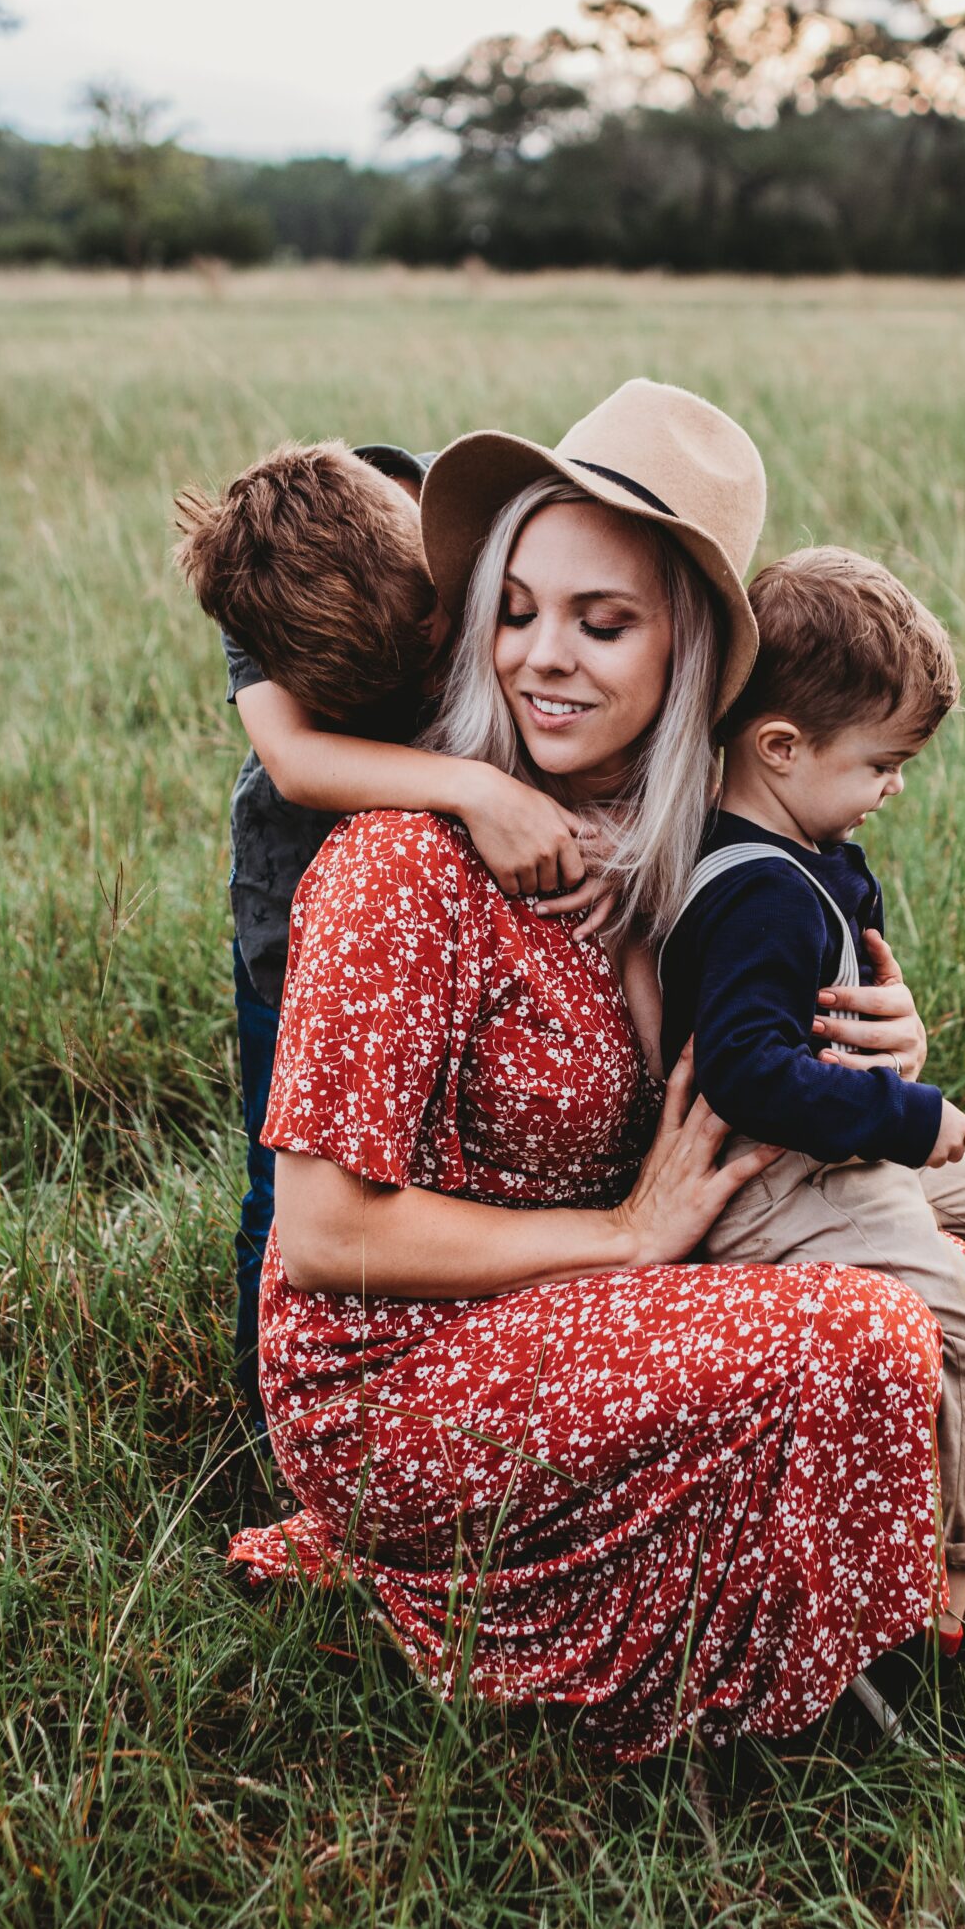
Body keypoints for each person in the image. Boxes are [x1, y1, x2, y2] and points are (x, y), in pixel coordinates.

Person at [226, 378, 965, 1760]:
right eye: (514, 611)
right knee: (869, 1333)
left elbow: (775, 1044)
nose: (540, 659)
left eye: (601, 621)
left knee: (946, 1275)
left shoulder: (678, 858)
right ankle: (723, 1684)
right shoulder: (403, 861)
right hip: (404, 1377)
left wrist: (890, 1036)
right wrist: (626, 1238)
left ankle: (745, 1592)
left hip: (587, 1310)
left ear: (684, 653)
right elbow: (324, 1234)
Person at [658, 546, 965, 1686]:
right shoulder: (754, 896)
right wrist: (907, 1114)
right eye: (882, 763)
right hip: (781, 1182)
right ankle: (937, 1587)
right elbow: (744, 1072)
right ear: (779, 748)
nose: (895, 785)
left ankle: (900, 1432)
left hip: (839, 1158)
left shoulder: (806, 851)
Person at [173, 439, 599, 1415]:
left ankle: (444, 1349)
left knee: (446, 1142)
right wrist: (471, 788)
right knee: (288, 1172)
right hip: (296, 903)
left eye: (436, 623)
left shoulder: (429, 516)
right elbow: (292, 758)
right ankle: (270, 1405)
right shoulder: (265, 580)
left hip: (453, 905)